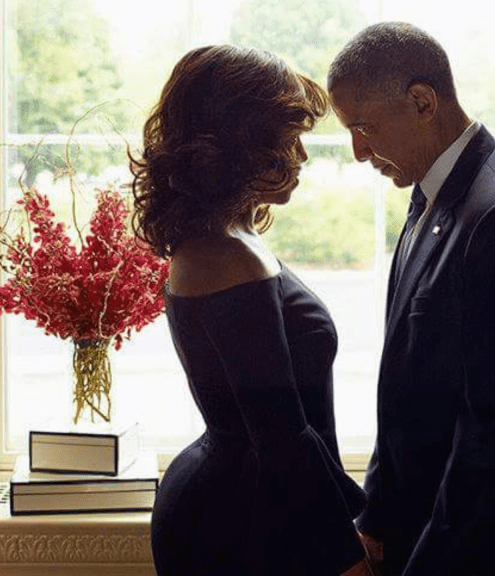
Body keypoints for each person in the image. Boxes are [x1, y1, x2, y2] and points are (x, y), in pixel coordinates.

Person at [327, 23, 495, 576]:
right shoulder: (430, 190)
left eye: (365, 128)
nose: (357, 152)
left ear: (422, 102)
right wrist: (375, 520)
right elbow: (405, 386)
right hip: (427, 538)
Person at [131, 45, 372, 576]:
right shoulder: (222, 254)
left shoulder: (231, 237)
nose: (303, 158)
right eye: (290, 140)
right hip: (236, 521)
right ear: (243, 143)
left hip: (261, 500)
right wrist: (346, 554)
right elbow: (281, 434)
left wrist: (357, 514)